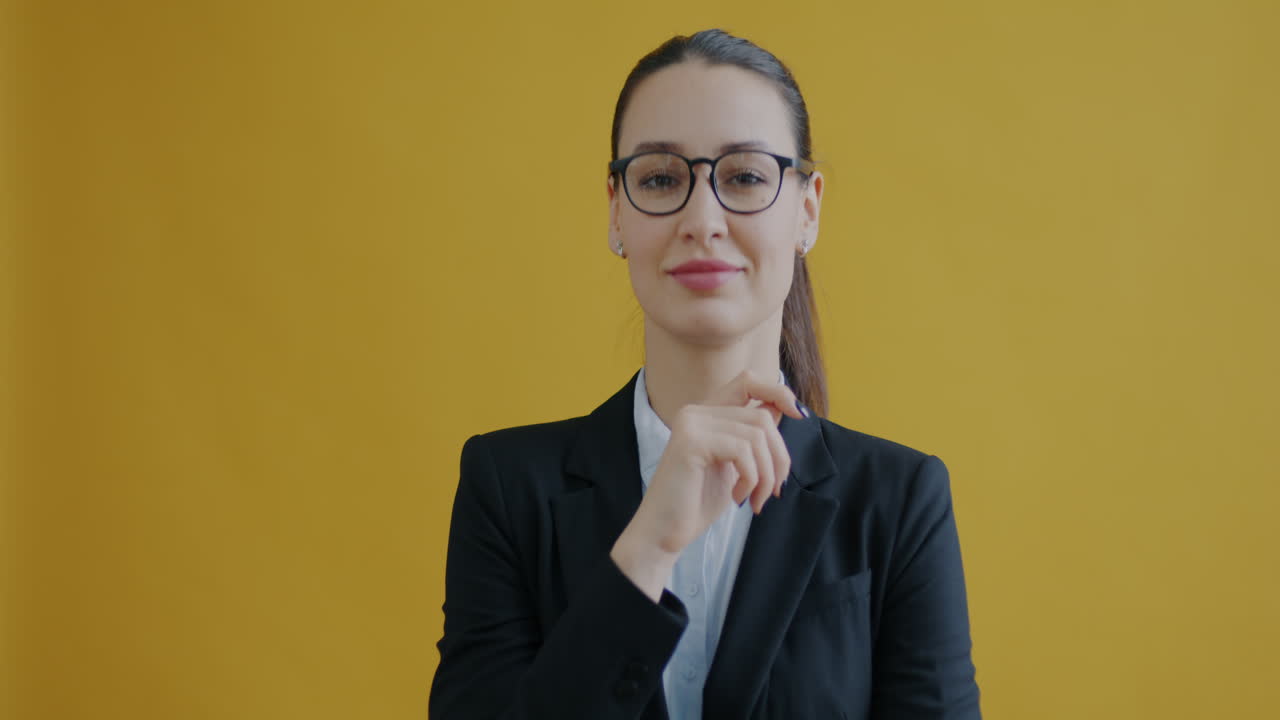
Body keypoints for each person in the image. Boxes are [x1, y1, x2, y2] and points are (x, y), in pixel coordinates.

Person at [429, 28, 981, 720]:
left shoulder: (899, 503)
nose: (702, 218)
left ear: (807, 212)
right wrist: (649, 547)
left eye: (745, 177)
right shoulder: (507, 487)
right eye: (660, 178)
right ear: (615, 212)